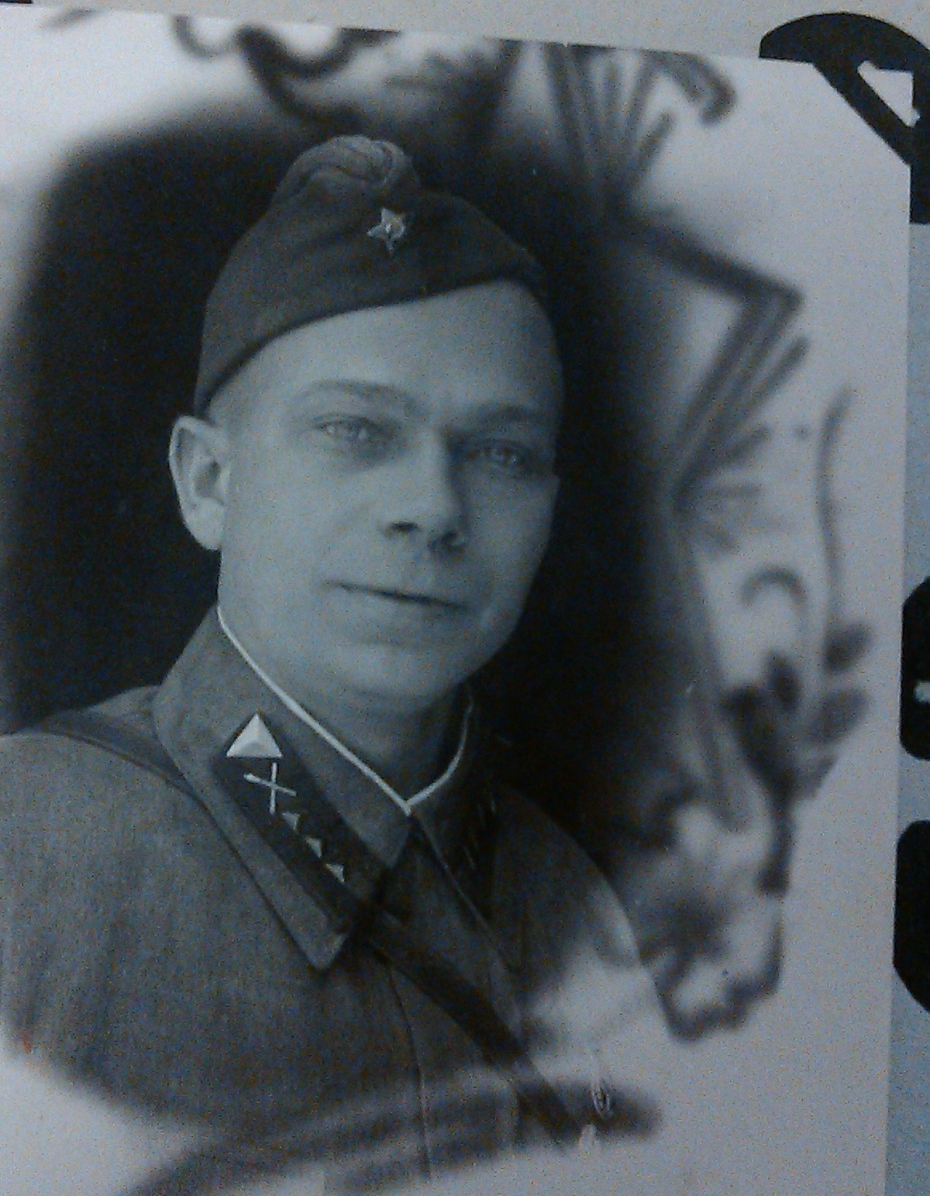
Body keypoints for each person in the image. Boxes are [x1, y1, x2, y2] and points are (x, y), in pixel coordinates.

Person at [0, 136, 661, 1193]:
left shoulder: (572, 898)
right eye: (354, 430)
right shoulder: (32, 848)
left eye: (500, 451)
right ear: (209, 483)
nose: (433, 509)